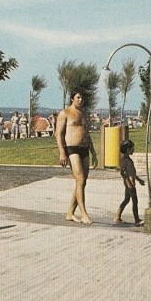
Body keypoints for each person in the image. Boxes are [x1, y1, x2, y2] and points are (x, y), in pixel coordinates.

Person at [56, 88, 98, 224]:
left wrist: (93, 152)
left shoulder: (83, 114)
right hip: (72, 148)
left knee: (82, 182)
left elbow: (87, 134)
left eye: (82, 98)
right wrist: (62, 152)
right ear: (72, 98)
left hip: (84, 148)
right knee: (80, 179)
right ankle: (83, 213)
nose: (81, 100)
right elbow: (59, 134)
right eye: (78, 97)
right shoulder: (65, 113)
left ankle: (70, 213)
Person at [114, 139, 145, 226]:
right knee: (135, 201)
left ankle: (117, 216)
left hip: (129, 184)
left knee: (126, 200)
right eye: (132, 148)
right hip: (130, 185)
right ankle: (137, 220)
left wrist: (139, 180)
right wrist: (130, 182)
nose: (133, 150)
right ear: (128, 150)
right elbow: (125, 174)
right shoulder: (127, 161)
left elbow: (131, 173)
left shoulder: (125, 160)